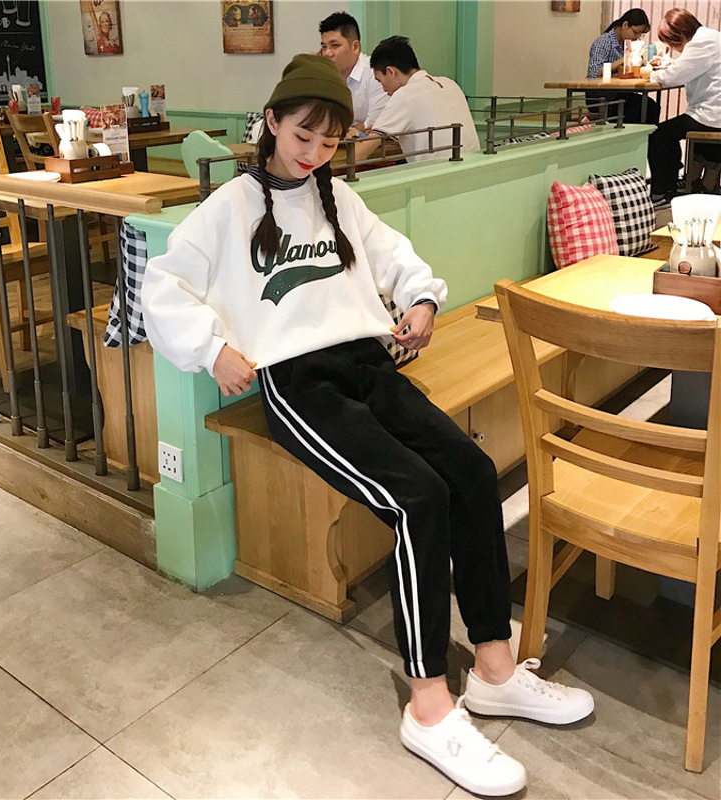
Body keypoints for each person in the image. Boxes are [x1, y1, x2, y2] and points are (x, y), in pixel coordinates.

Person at [141, 53, 594, 798]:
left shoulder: (338, 199)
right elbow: (162, 283)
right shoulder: (229, 207)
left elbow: (395, 256)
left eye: (329, 141)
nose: (314, 153)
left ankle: (494, 667)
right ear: (272, 123)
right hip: (296, 384)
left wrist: (421, 299)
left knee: (472, 472)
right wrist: (212, 348)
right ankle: (429, 706)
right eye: (303, 136)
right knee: (418, 497)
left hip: (367, 363)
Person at [354, 36, 480, 164]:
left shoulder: (404, 95)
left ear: (391, 72)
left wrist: (353, 135)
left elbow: (359, 155)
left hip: (438, 173)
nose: (383, 88)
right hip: (475, 168)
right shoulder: (451, 84)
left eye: (380, 80)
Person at [648, 8, 721, 206]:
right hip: (714, 112)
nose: (674, 47)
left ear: (680, 34)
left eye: (672, 42)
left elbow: (672, 77)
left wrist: (650, 73)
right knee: (670, 132)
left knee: (658, 136)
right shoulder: (712, 37)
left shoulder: (701, 44)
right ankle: (679, 183)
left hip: (711, 114)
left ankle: (661, 191)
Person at [319, 11, 388, 136]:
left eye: (335, 45)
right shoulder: (325, 76)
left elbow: (378, 124)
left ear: (355, 47)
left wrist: (353, 130)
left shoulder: (374, 73)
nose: (327, 53)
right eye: (324, 47)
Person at [584, 9, 658, 124]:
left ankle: (649, 135)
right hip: (601, 95)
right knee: (641, 107)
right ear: (625, 25)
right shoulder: (604, 41)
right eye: (635, 32)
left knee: (650, 106)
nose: (637, 37)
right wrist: (623, 60)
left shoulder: (627, 44)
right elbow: (594, 72)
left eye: (640, 35)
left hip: (621, 92)